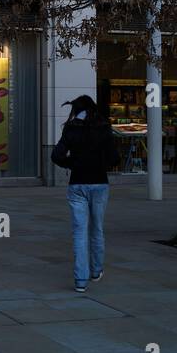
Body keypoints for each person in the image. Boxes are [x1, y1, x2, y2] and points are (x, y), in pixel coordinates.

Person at [58, 95, 120, 293]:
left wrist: (73, 163)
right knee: (97, 229)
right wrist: (100, 163)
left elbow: (56, 155)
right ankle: (96, 271)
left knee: (79, 232)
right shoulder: (103, 127)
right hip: (100, 183)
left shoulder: (71, 127)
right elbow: (114, 158)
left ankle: (80, 280)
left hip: (77, 183)